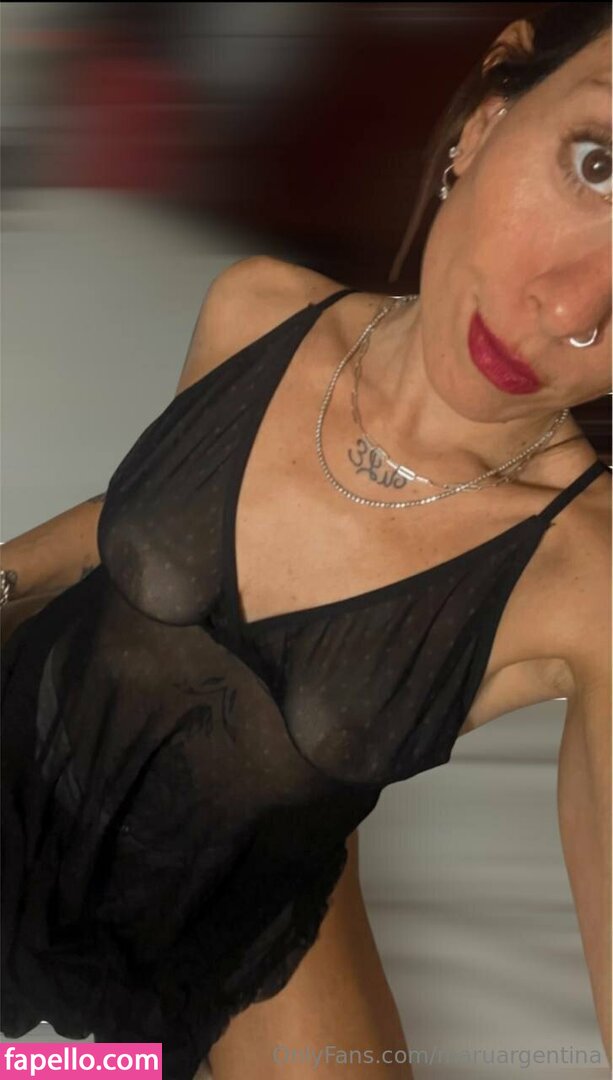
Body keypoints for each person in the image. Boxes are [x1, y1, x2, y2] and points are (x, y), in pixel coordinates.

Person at [1, 5, 611, 1078]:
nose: (569, 306)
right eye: (597, 164)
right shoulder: (257, 307)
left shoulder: (585, 576)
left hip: (224, 914)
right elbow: (153, 512)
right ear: (485, 116)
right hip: (28, 740)